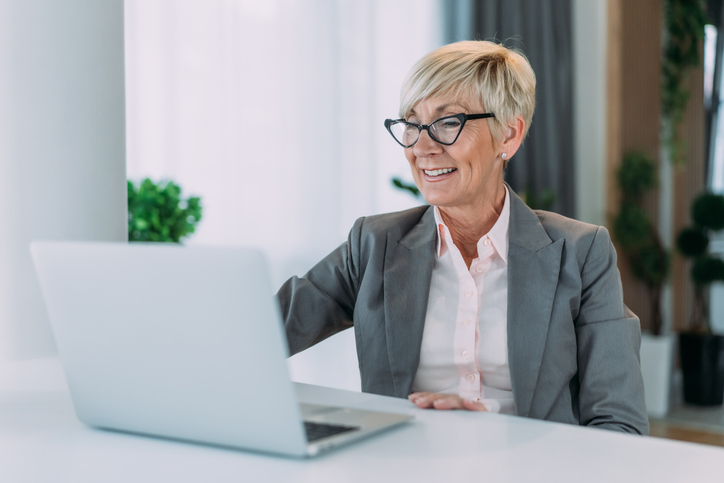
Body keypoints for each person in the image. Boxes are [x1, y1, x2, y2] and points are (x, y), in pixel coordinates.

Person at [276, 40, 649, 434]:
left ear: (508, 135)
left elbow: (620, 426)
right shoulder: (374, 244)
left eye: (448, 122)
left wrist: (491, 434)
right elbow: (259, 335)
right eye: (412, 123)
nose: (421, 148)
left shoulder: (581, 253)